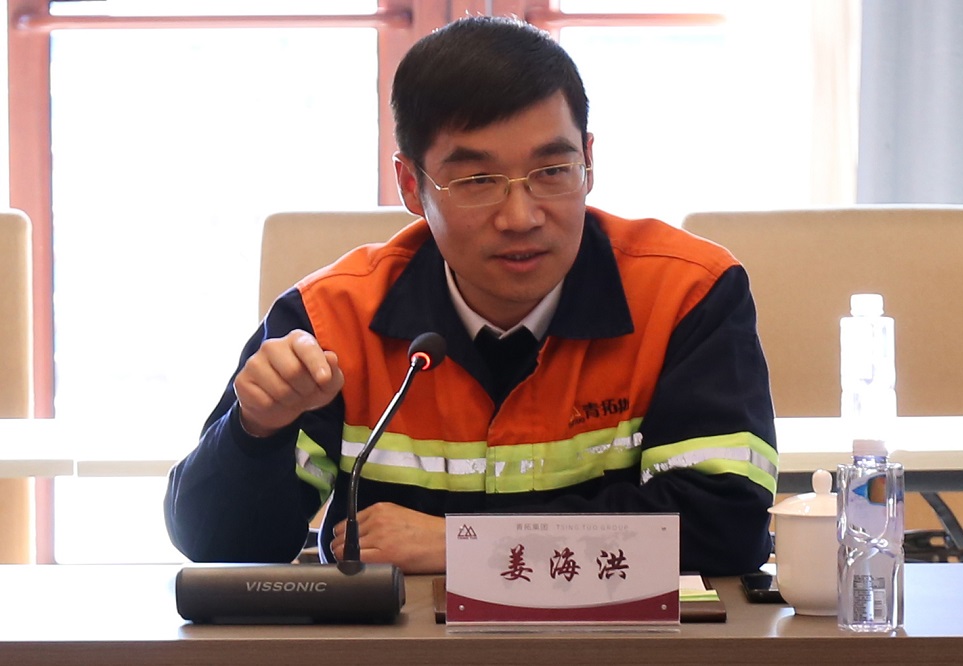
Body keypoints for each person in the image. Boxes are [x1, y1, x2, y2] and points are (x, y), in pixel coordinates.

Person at [164, 15, 777, 577]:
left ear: (589, 163)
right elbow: (221, 546)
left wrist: (466, 545)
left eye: (552, 171)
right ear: (411, 185)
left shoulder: (687, 295)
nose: (521, 216)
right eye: (478, 180)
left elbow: (725, 528)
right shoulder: (331, 320)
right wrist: (257, 430)